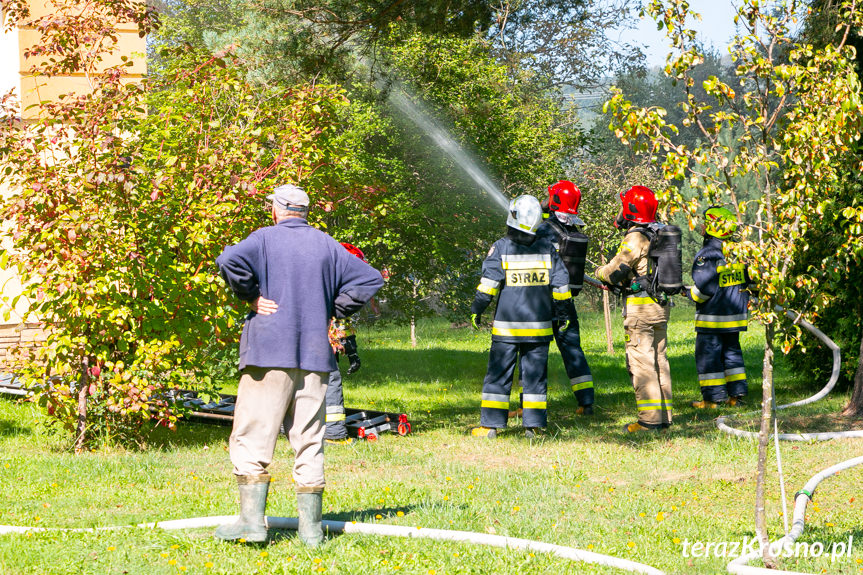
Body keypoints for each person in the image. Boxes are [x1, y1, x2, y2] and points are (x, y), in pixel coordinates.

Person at [214, 184, 384, 546]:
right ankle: (310, 532)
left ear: (276, 209)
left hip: (268, 355)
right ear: (305, 213)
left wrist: (251, 297)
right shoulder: (326, 244)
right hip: (314, 357)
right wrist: (335, 308)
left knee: (253, 437)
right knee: (309, 441)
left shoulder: (262, 238)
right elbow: (371, 279)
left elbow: (228, 260)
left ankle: (252, 524)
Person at [470, 194, 572, 439]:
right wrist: (563, 314)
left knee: (498, 376)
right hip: (539, 330)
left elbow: (488, 285)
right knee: (535, 378)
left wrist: (477, 310)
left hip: (507, 330)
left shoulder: (502, 247)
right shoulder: (548, 248)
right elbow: (561, 286)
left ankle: (490, 426)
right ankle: (534, 427)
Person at [594, 186, 673, 433]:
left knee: (642, 363)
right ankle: (664, 417)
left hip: (641, 311)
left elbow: (617, 271)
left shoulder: (636, 238)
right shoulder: (660, 231)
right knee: (660, 361)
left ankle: (649, 422)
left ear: (631, 208)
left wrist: (599, 272)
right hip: (661, 307)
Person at [536, 180, 595, 415]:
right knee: (572, 349)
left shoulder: (543, 230)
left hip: (542, 300)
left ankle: (527, 405)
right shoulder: (573, 229)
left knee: (535, 352)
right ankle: (586, 402)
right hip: (566, 301)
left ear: (555, 200)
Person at [685, 206, 752, 408]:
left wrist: (687, 293)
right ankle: (736, 396)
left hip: (713, 319)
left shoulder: (708, 255)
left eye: (705, 223)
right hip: (735, 317)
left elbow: (704, 290)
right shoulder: (738, 252)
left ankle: (713, 399)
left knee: (709, 357)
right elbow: (750, 281)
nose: (702, 227)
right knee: (732, 355)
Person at [324, 242, 369, 444]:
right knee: (330, 380)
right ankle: (333, 433)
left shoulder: (330, 280)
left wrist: (352, 351)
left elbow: (342, 322)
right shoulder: (332, 285)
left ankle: (285, 427)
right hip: (317, 342)